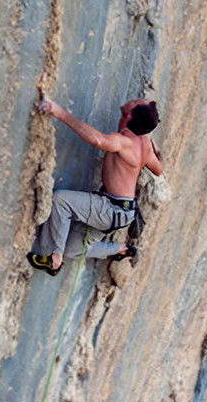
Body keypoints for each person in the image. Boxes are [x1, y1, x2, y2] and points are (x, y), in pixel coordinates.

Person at [27, 97, 163, 275]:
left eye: (137, 101)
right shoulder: (144, 143)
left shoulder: (125, 142)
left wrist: (57, 111)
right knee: (73, 250)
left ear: (130, 114)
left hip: (111, 209)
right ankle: (120, 249)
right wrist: (155, 149)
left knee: (61, 201)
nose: (135, 98)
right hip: (121, 212)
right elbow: (159, 169)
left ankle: (54, 258)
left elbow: (98, 140)